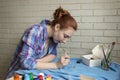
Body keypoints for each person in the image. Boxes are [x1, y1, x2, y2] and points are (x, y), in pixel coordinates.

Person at [5, 6, 77, 79]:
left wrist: (37, 62)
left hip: (32, 74)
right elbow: (26, 63)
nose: (65, 41)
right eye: (65, 36)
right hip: (18, 75)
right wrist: (56, 65)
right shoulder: (35, 31)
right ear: (57, 27)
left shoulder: (54, 37)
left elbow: (53, 54)